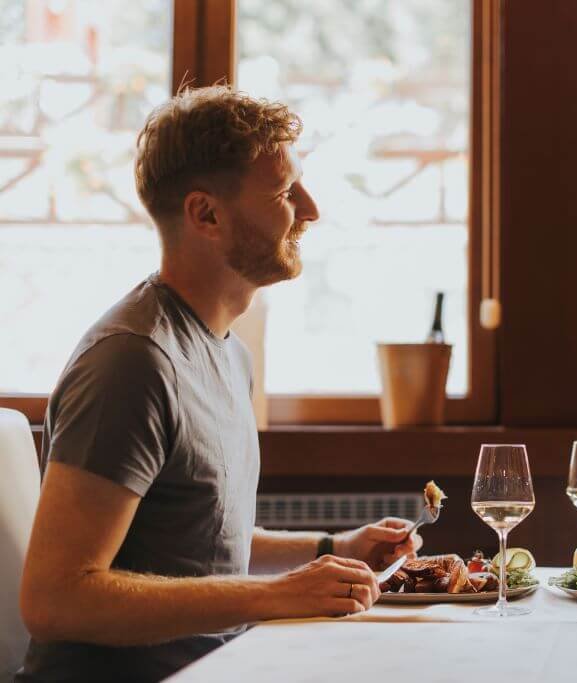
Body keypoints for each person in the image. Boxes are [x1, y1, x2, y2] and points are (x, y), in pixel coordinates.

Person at [17, 86, 422, 682]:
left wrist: (332, 548)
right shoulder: (131, 362)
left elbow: (196, 539)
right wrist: (274, 595)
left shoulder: (229, 352)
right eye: (286, 192)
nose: (310, 209)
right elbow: (55, 600)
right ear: (205, 214)